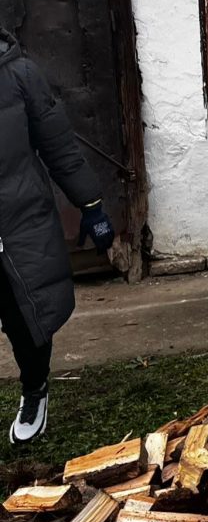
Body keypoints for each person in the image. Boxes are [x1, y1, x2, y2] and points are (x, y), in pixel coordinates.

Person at [0, 28, 114, 444]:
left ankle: (35, 391)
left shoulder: (19, 75)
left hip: (18, 223)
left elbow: (58, 145)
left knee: (26, 320)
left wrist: (91, 206)